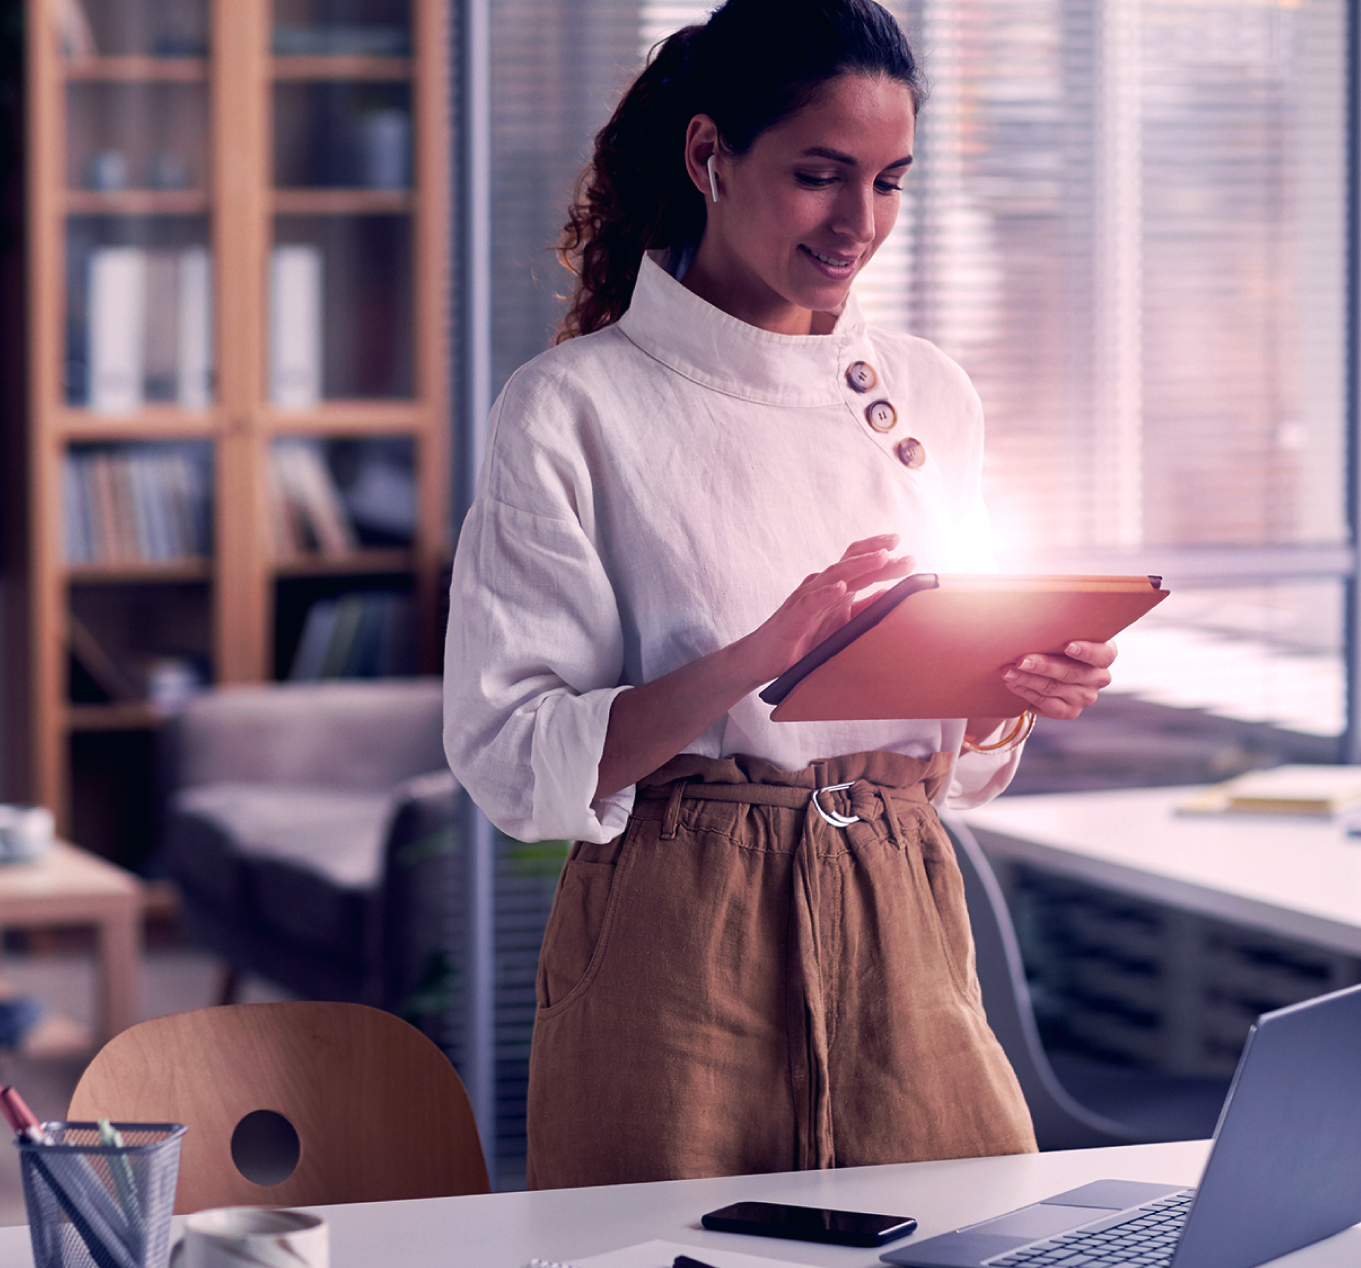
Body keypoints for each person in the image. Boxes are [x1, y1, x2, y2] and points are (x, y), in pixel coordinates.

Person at [444, 0, 1117, 1189]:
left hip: (905, 909)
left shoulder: (931, 392)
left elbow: (951, 757)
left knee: (972, 1229)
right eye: (821, 175)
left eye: (892, 182)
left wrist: (1011, 689)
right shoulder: (573, 407)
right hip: (674, 935)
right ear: (710, 155)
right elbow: (510, 752)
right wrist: (762, 650)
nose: (861, 222)